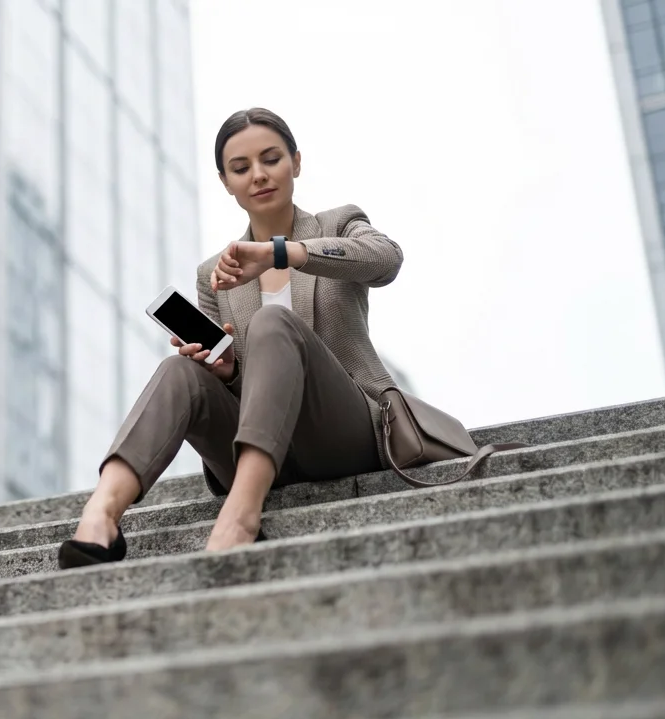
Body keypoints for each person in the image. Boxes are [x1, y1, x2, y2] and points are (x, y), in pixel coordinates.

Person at [59, 107, 406, 569]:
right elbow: (243, 383)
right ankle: (100, 517)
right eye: (241, 168)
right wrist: (227, 372)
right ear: (225, 181)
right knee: (179, 368)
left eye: (271, 159)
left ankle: (241, 517)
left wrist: (281, 252)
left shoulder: (337, 224)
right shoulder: (215, 275)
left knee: (271, 323)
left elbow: (385, 258)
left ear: (296, 162)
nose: (259, 175)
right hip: (266, 451)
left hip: (345, 434)